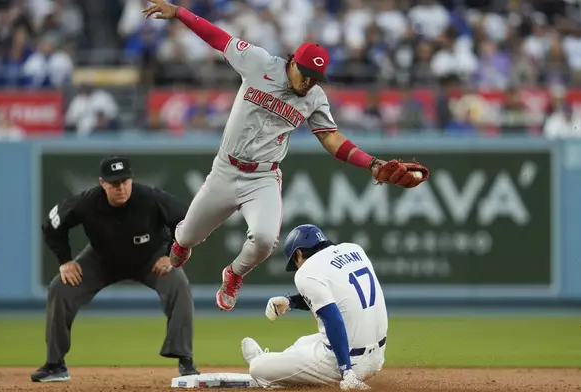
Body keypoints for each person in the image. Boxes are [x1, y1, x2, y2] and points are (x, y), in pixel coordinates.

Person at [142, 0, 430, 312]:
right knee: (185, 237)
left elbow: (331, 139)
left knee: (265, 240)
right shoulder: (259, 63)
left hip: (263, 176)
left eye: (315, 78)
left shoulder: (314, 98)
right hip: (226, 170)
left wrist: (371, 163)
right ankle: (182, 245)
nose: (308, 82)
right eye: (304, 73)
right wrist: (181, 13)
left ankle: (234, 274)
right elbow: (218, 38)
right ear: (292, 63)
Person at [31, 156, 199, 382]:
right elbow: (52, 224)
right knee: (60, 288)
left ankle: (185, 361)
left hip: (150, 259)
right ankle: (55, 365)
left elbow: (188, 219)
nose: (120, 188)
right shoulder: (88, 202)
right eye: (114, 183)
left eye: (124, 181)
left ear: (132, 180)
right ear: (102, 183)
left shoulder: (150, 198)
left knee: (179, 285)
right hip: (101, 260)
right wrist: (65, 261)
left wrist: (172, 255)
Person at [241, 224, 387, 389]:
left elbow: (333, 319)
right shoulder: (354, 249)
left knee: (257, 368)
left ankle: (267, 371)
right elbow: (336, 297)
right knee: (302, 343)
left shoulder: (306, 271)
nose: (297, 267)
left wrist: (347, 371)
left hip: (349, 362)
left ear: (299, 253)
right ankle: (276, 367)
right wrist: (291, 302)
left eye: (295, 262)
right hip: (377, 357)